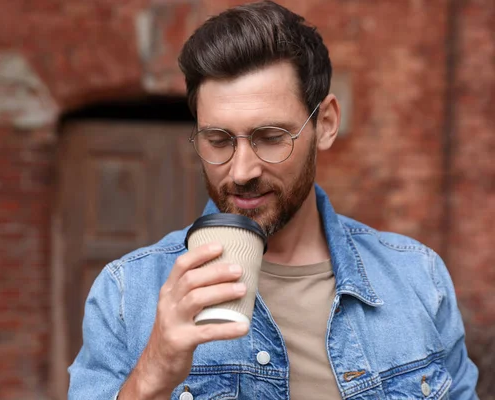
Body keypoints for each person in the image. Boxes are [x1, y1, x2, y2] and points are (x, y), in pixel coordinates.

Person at [68, 1, 479, 399]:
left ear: (327, 124)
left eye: (270, 138)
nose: (242, 170)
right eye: (218, 140)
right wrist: (153, 373)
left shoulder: (418, 278)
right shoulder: (126, 293)